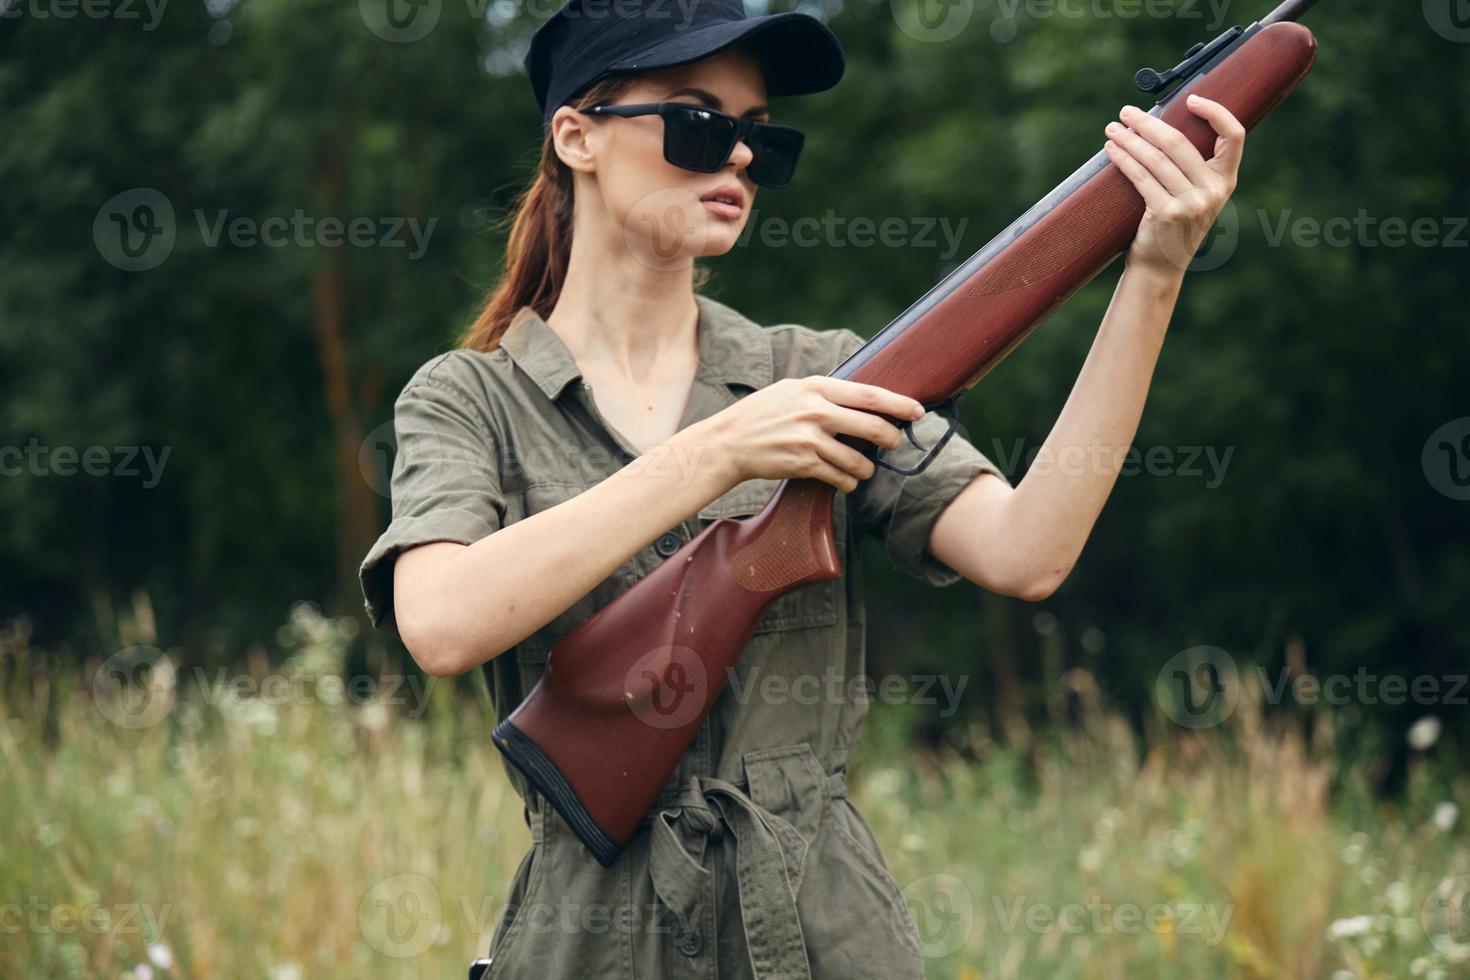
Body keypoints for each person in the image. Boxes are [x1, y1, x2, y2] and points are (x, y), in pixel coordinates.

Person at [358, 0, 1248, 976]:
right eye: (698, 123)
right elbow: (441, 624)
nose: (737, 157)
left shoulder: (820, 372)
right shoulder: (471, 396)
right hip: (592, 938)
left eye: (761, 137)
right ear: (576, 135)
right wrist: (720, 451)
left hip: (820, 931)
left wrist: (1153, 270)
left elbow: (1028, 550)